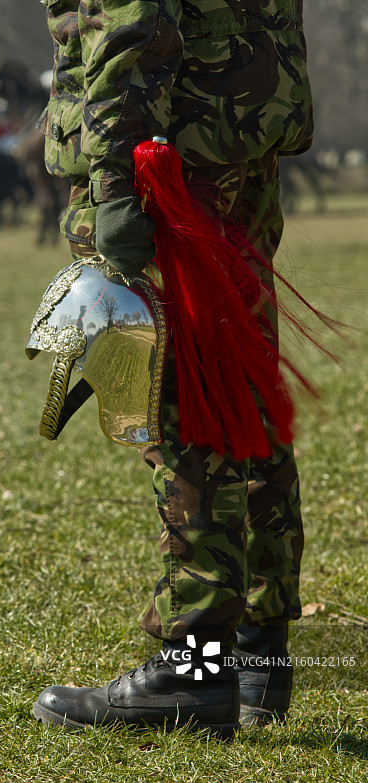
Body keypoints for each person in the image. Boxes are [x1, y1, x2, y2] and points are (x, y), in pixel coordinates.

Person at [30, 0, 314, 735]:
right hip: (234, 122)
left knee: (180, 395)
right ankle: (258, 651)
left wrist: (118, 183)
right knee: (239, 382)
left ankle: (195, 664)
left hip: (167, 147)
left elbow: (133, 19)